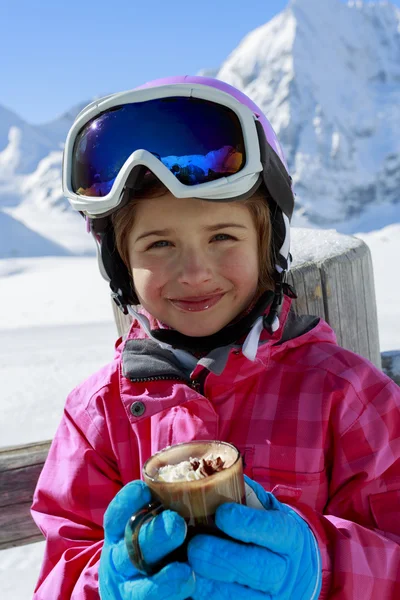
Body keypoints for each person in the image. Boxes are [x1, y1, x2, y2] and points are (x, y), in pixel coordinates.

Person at [31, 75, 400, 600]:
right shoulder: (98, 417)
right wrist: (106, 583)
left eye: (222, 236)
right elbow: (58, 574)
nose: (194, 271)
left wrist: (321, 571)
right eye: (158, 243)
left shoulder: (348, 399)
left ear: (268, 241)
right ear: (120, 263)